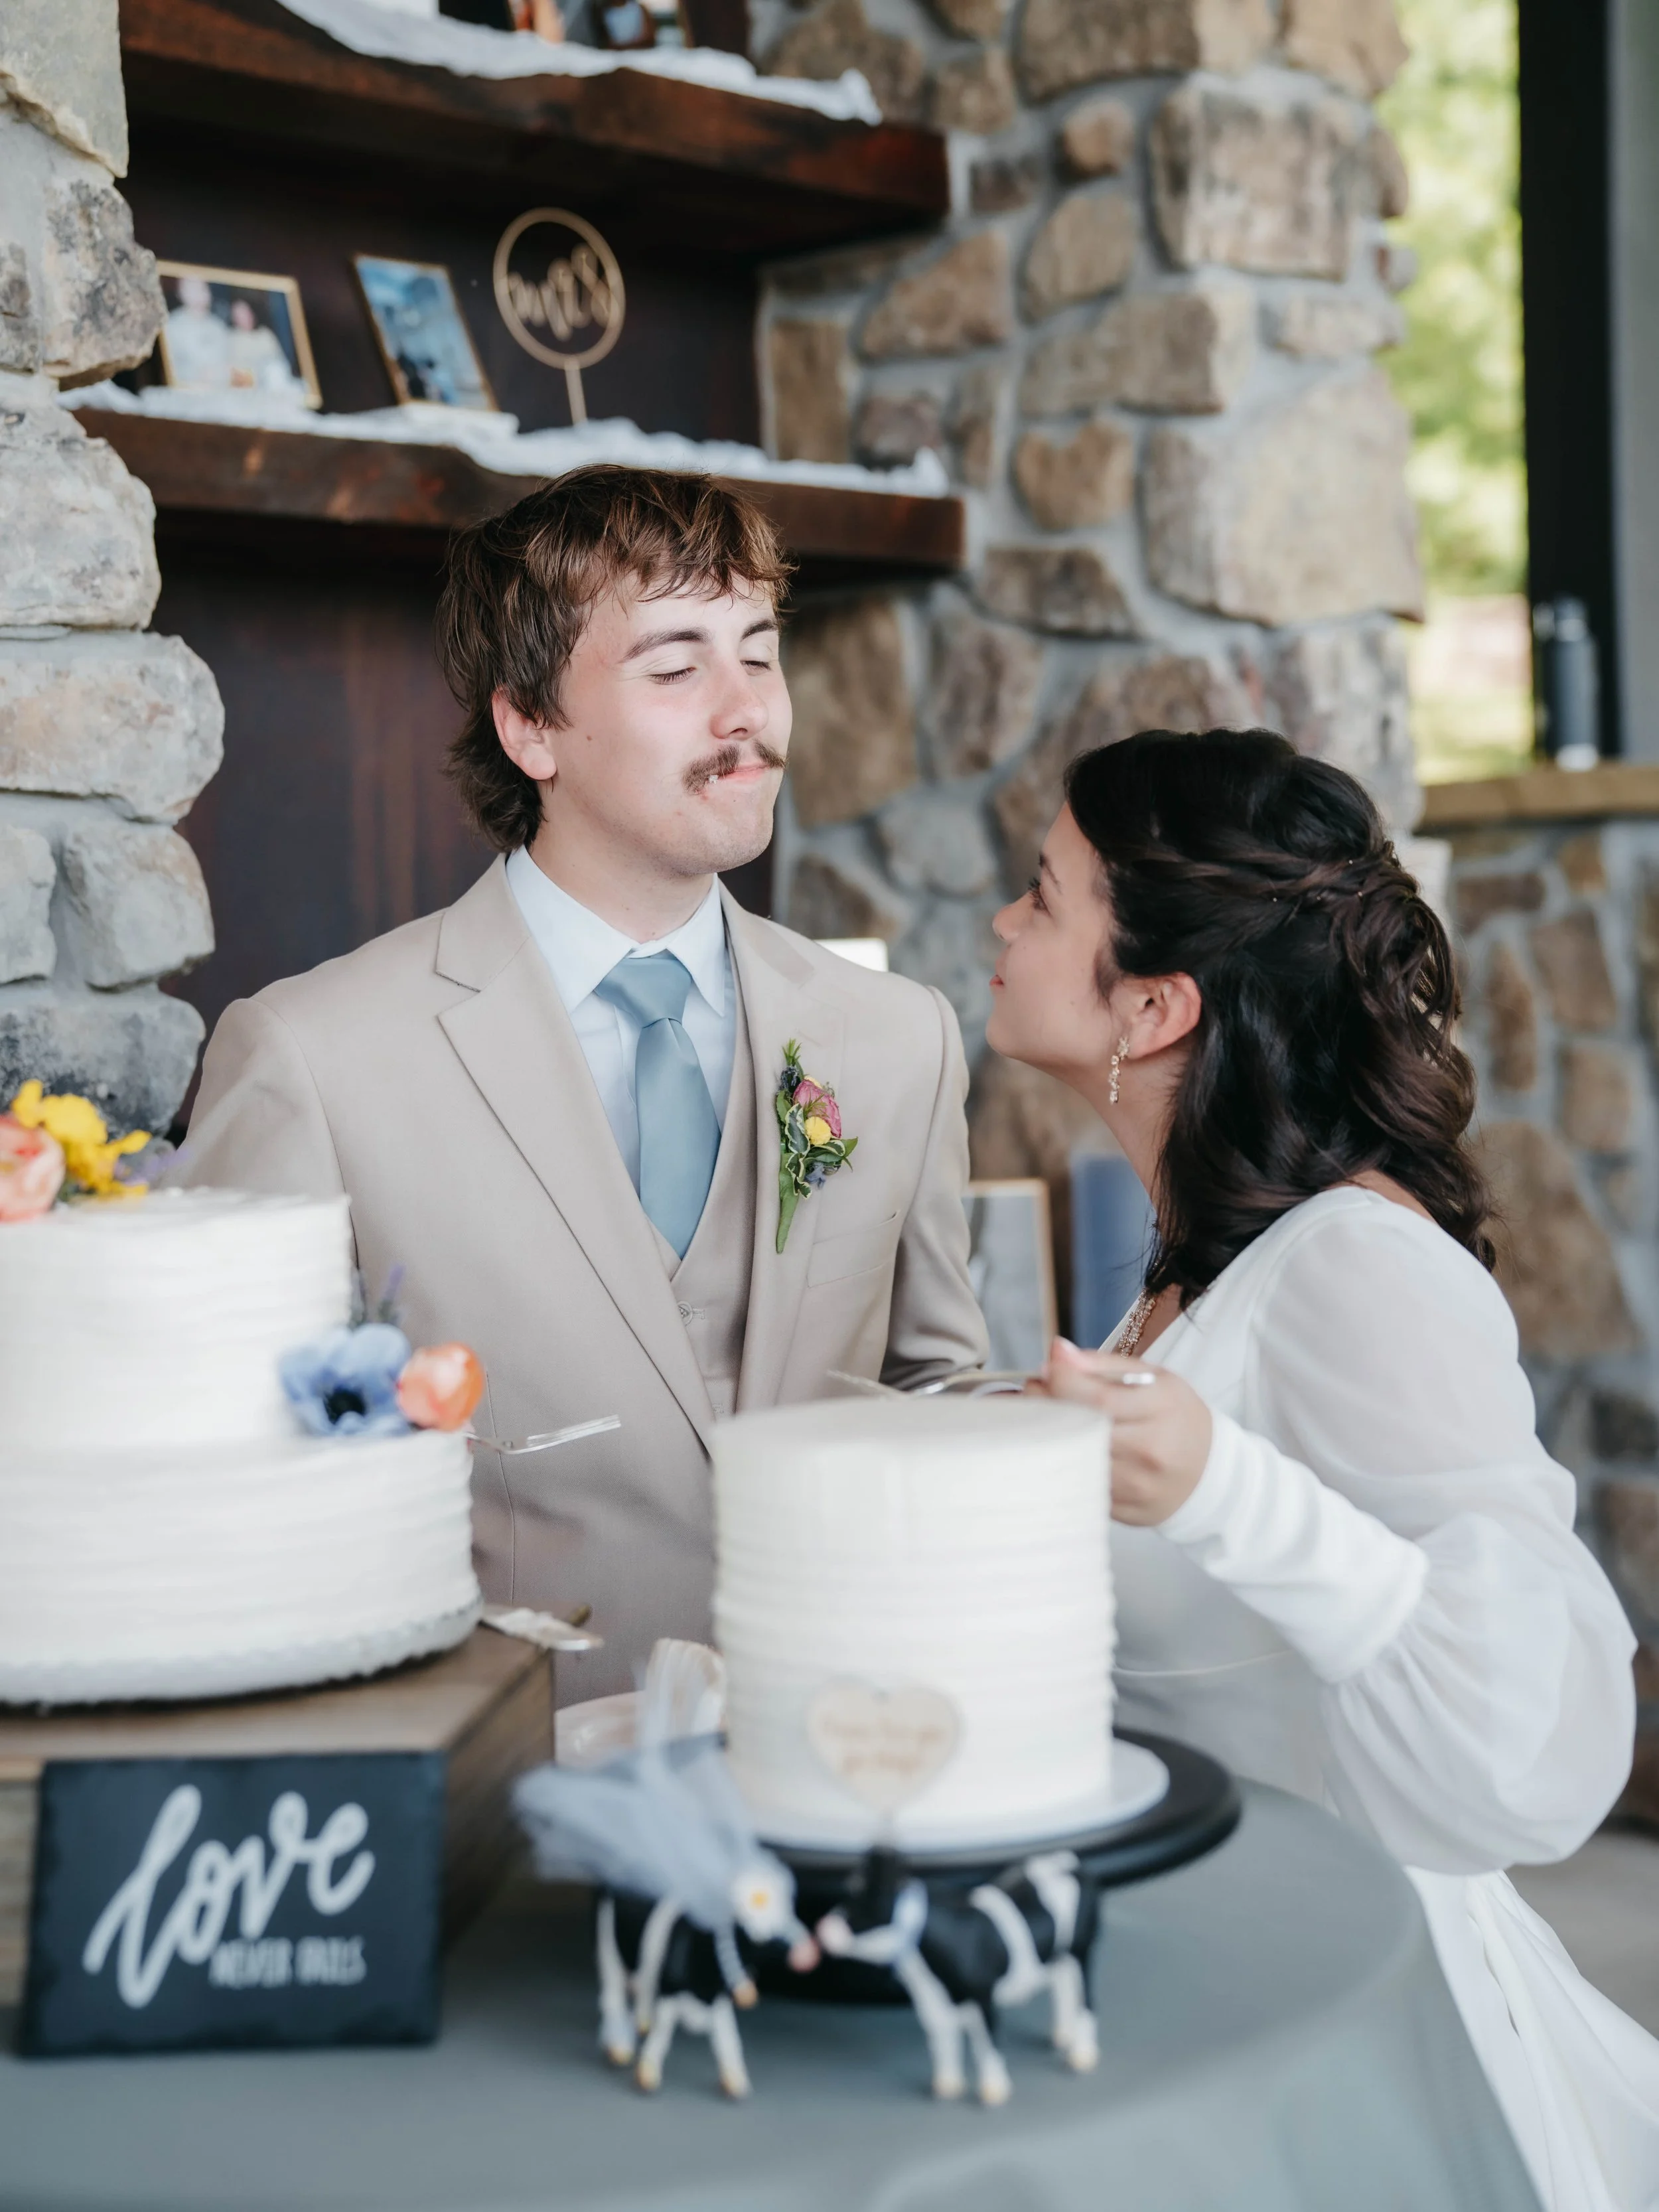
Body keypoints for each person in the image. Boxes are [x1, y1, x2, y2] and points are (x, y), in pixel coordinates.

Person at [988, 726, 1659, 2212]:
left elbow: (1532, 1741)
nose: (1001, 922)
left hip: (1349, 2038)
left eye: (1041, 895)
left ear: (1153, 1003)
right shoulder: (1197, 1273)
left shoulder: (1357, 1263)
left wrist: (1230, 1494)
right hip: (1194, 1990)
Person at [179, 466, 987, 1690]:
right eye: (676, 667)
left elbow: (935, 1392)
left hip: (845, 1753)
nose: (746, 714)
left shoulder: (897, 1036)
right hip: (500, 1802)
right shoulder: (312, 1055)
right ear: (531, 728)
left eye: (759, 654)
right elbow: (250, 1485)